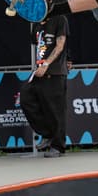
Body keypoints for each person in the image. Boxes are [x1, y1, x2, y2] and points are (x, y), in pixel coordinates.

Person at [20, 13, 69, 158]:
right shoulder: (36, 23)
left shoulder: (59, 18)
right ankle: (48, 134)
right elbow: (39, 47)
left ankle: (58, 146)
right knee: (26, 97)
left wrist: (47, 64)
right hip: (39, 71)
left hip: (54, 72)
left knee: (56, 111)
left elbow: (61, 45)